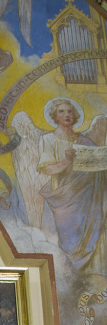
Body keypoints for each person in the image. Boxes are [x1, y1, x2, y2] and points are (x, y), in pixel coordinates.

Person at [37, 98, 107, 274]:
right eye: (61, 111)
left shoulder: (85, 141)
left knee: (89, 231)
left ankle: (87, 271)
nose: (66, 115)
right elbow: (48, 169)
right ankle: (67, 271)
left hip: (86, 197)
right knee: (67, 237)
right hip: (62, 197)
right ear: (55, 116)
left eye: (70, 112)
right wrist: (67, 161)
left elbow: (99, 168)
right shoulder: (48, 139)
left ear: (75, 116)